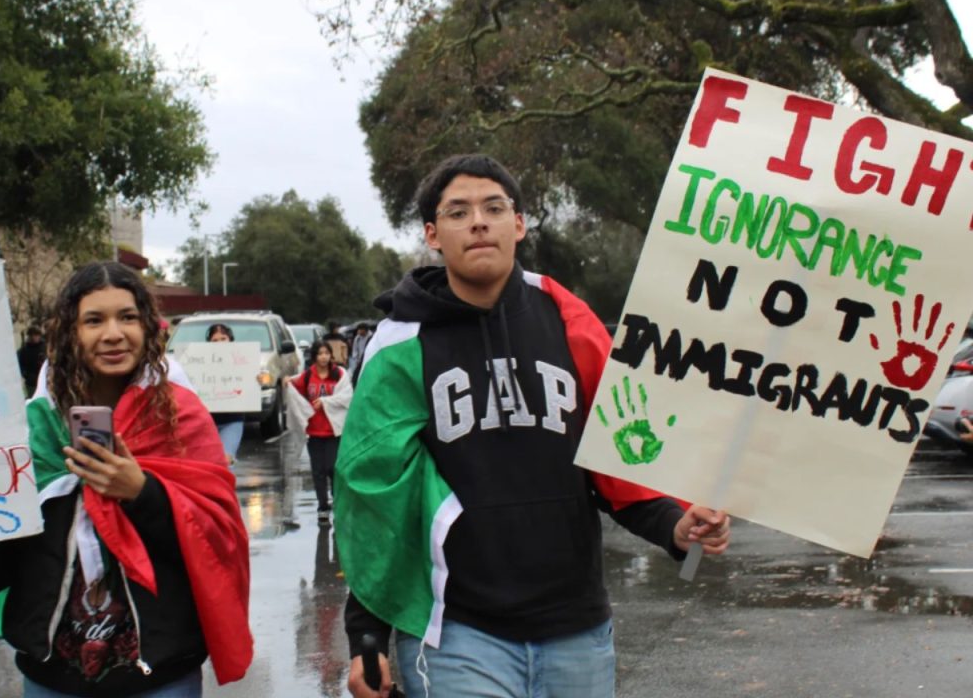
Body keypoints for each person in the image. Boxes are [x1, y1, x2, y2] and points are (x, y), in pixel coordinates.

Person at [336, 155, 730, 698]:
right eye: (458, 212)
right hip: (455, 635)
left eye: (494, 208)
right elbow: (376, 502)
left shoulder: (569, 319)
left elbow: (620, 454)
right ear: (432, 234)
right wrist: (367, 635)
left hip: (578, 630)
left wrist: (674, 524)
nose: (478, 221)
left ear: (518, 224)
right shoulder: (400, 345)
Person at [0, 261, 253, 697]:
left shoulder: (180, 419)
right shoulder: (33, 428)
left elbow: (215, 540)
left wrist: (141, 492)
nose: (113, 333)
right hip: (53, 676)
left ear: (147, 327)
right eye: (94, 320)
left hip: (159, 672)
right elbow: (18, 541)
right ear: (70, 332)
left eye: (127, 317)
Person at [284, 340, 351, 518]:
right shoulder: (307, 376)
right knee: (317, 470)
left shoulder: (339, 374)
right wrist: (286, 382)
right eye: (320, 353)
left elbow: (347, 397)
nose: (324, 357)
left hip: (333, 431)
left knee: (332, 467)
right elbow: (293, 386)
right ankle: (322, 506)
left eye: (327, 353)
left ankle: (337, 500)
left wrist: (326, 402)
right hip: (314, 431)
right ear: (314, 356)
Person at [206, 323, 245, 465]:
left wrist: (258, 379)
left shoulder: (243, 360)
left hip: (232, 420)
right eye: (215, 340)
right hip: (205, 422)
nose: (219, 343)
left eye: (223, 339)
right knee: (208, 463)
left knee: (225, 460)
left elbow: (252, 384)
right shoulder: (199, 362)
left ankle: (225, 486)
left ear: (230, 340)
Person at [17, 325, 46, 396]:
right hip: (31, 382)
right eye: (31, 335)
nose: (33, 337)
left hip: (44, 381)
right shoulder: (24, 350)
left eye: (36, 335)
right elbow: (20, 365)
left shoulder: (45, 348)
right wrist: (26, 374)